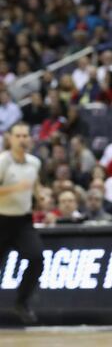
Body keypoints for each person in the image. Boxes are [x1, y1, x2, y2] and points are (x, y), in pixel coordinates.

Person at [0, 122, 43, 324]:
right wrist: (15, 188)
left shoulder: (34, 162)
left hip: (23, 221)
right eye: (18, 136)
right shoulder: (3, 162)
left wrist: (39, 195)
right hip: (1, 220)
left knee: (36, 258)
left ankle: (22, 302)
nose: (22, 139)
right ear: (10, 139)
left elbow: (34, 183)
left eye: (25, 136)